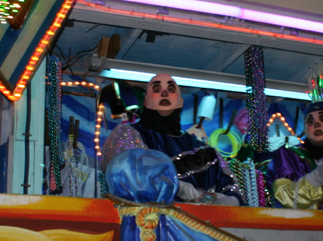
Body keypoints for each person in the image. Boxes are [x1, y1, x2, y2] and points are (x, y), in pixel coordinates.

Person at [101, 73, 241, 205]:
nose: (164, 93)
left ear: (180, 102)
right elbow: (125, 175)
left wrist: (229, 199)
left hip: (202, 226)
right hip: (148, 225)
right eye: (156, 89)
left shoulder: (206, 151)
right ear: (146, 101)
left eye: (171, 89)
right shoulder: (128, 133)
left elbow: (233, 187)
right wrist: (176, 185)